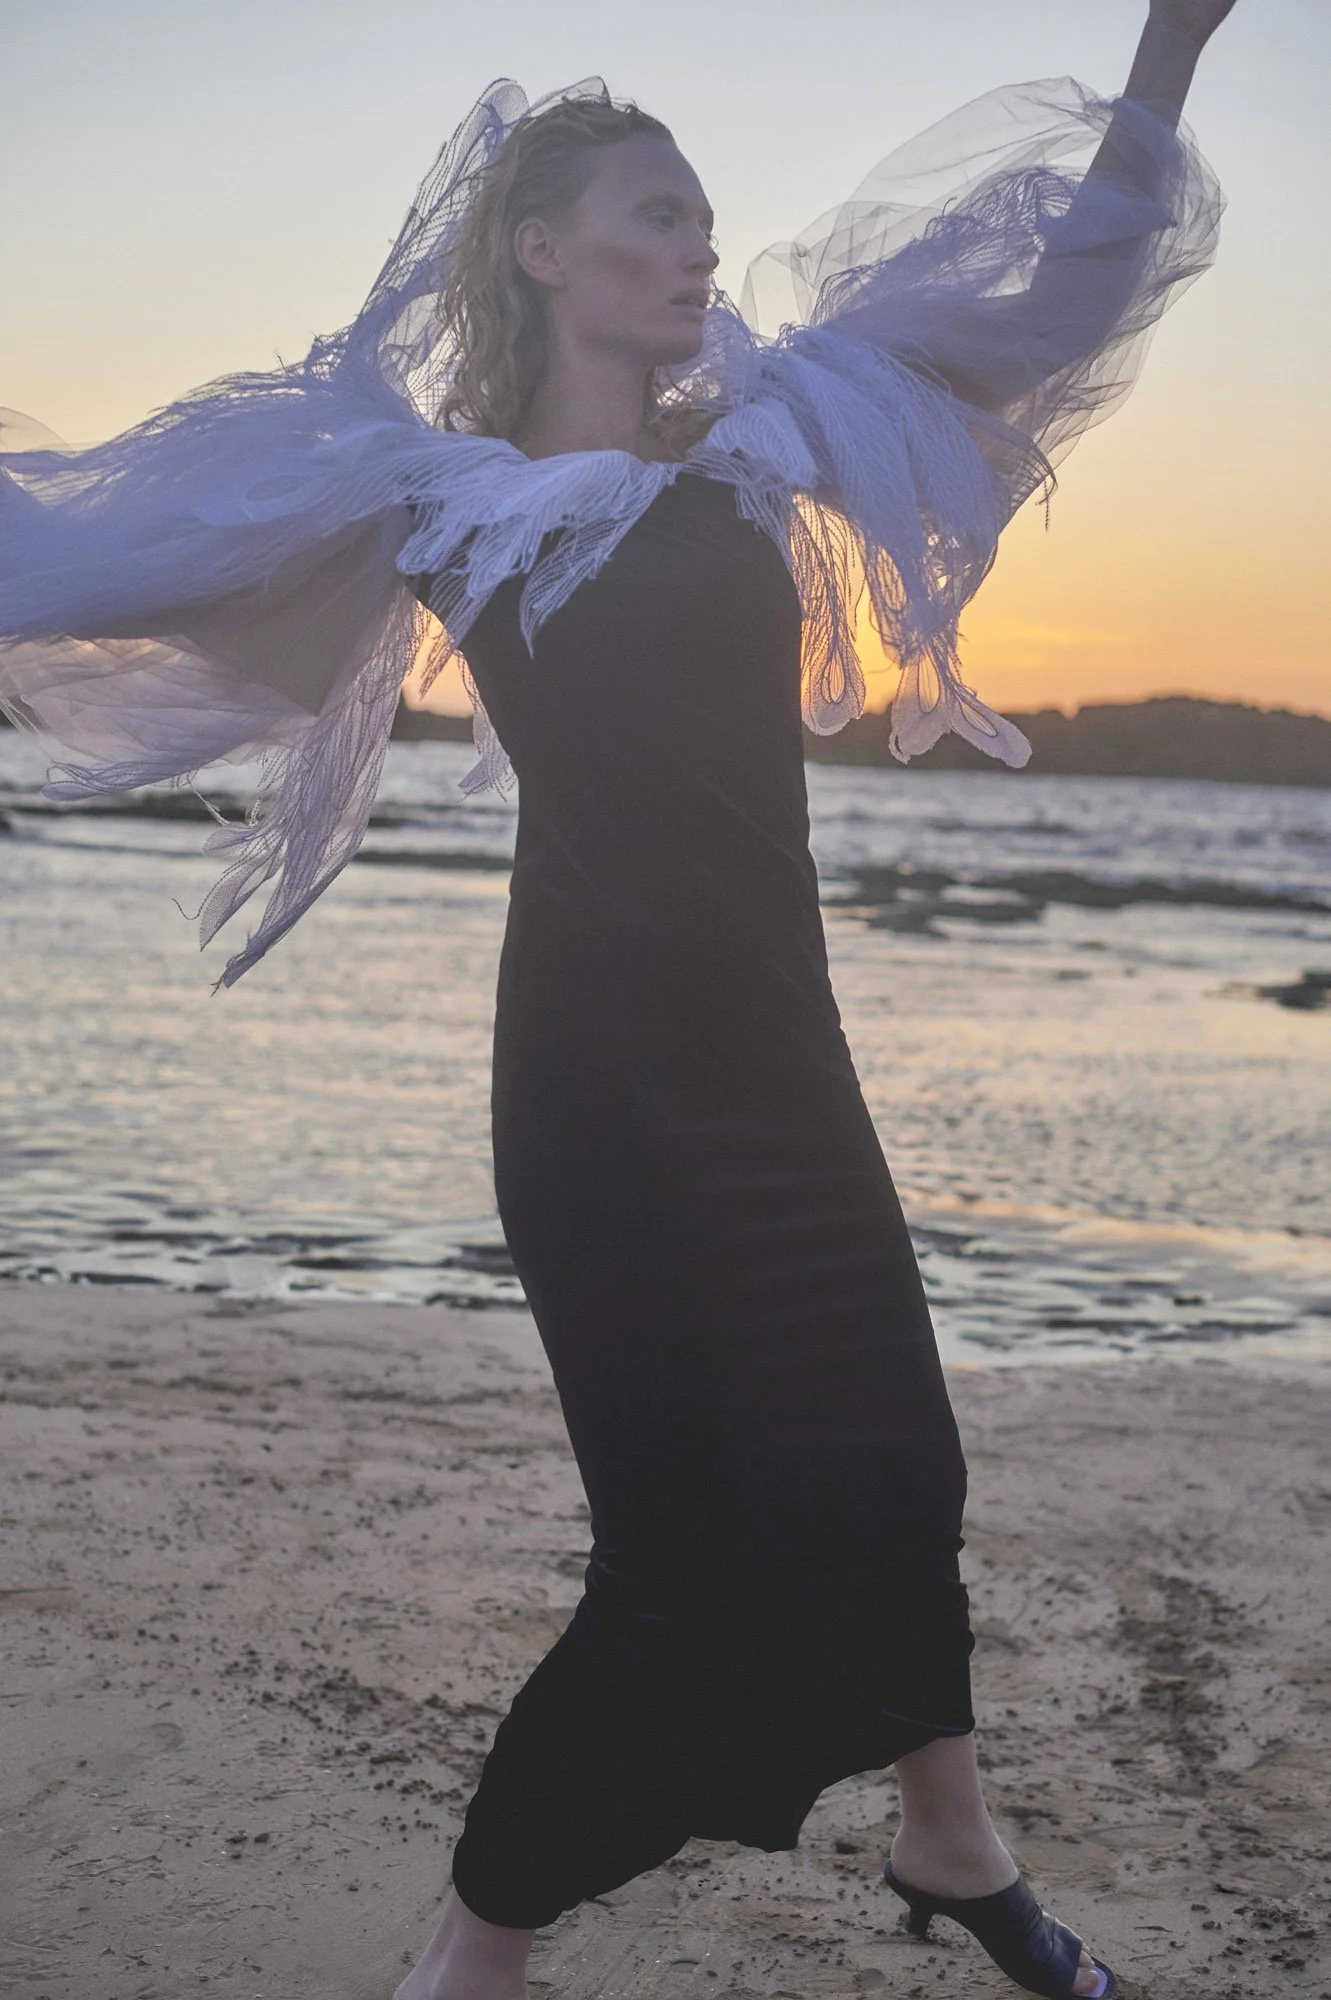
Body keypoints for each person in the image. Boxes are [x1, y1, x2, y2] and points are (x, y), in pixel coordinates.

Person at [0, 4, 1237, 1995]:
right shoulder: (439, 500)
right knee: (675, 1560)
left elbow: (1055, 305)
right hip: (607, 1092)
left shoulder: (773, 435)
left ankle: (946, 1835)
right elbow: (95, 559)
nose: (696, 246)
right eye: (656, 214)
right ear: (538, 249)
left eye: (703, 218)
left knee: (895, 1456)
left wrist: (1166, 51)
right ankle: (471, 1959)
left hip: (783, 1058)